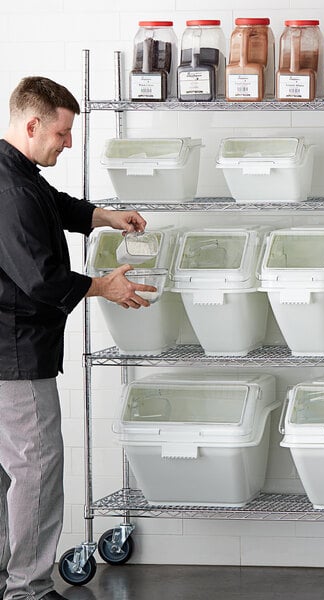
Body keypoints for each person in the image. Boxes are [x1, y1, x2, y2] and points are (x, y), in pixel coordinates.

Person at [0, 76, 156, 600]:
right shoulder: (10, 191)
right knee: (38, 471)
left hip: (8, 350)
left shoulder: (16, 171)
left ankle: (9, 578)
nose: (68, 144)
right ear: (32, 124)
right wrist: (102, 286)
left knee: (9, 477)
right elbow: (41, 279)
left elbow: (56, 204)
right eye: (62, 134)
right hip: (16, 355)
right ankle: (28, 589)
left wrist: (103, 216)